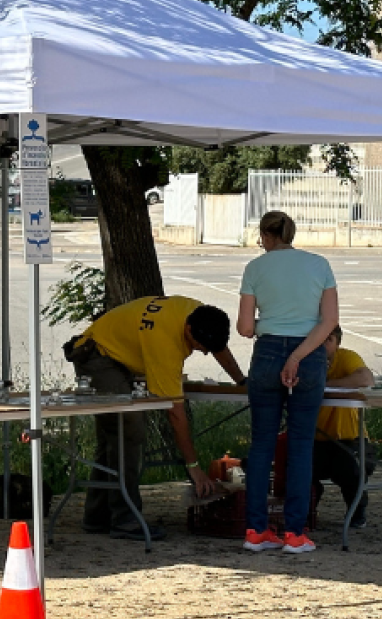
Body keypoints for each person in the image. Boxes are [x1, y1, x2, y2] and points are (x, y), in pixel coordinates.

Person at [64, 296, 246, 541]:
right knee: (128, 431)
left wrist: (241, 382)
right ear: (188, 329)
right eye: (199, 345)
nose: (202, 352)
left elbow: (216, 345)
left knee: (112, 437)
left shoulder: (197, 312)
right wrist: (194, 469)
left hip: (116, 353)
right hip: (98, 357)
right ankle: (125, 520)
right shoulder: (166, 343)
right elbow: (175, 413)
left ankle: (97, 516)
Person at [237, 211, 338, 555]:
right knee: (300, 445)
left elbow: (245, 327)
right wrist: (297, 356)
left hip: (266, 352)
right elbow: (330, 321)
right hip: (308, 355)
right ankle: (295, 533)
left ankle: (256, 530)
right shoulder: (319, 264)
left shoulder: (255, 268)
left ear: (266, 235)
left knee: (262, 444)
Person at [314, 325, 377, 529]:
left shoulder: (347, 358)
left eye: (328, 340)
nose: (322, 345)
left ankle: (357, 511)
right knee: (294, 463)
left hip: (350, 439)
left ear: (337, 343)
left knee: (350, 465)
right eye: (318, 339)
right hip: (314, 439)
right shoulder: (303, 359)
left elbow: (366, 379)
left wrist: (327, 384)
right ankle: (306, 508)